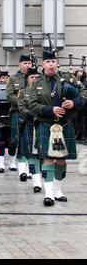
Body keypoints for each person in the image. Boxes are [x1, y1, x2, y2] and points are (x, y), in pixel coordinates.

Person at [28, 50, 87, 206]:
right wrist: (50, 109)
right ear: (43, 64)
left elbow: (84, 92)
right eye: (48, 62)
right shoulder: (36, 83)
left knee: (61, 160)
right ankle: (48, 194)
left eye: (53, 61)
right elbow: (32, 104)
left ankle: (57, 190)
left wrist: (75, 103)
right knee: (47, 158)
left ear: (57, 63)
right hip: (45, 123)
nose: (51, 64)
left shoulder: (67, 78)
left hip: (64, 124)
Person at [6, 54, 33, 181]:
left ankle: (26, 168)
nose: (27, 66)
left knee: (28, 140)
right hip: (17, 112)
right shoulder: (13, 79)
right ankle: (17, 162)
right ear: (20, 64)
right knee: (17, 139)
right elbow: (9, 95)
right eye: (25, 63)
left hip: (31, 113)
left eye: (29, 63)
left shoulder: (35, 77)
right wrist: (22, 101)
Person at [17, 66, 43, 193]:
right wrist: (32, 115)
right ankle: (36, 183)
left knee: (44, 155)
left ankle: (47, 181)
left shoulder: (44, 91)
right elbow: (21, 107)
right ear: (27, 79)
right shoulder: (23, 92)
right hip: (30, 125)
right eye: (32, 77)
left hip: (44, 124)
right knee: (32, 156)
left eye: (37, 77)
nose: (34, 79)